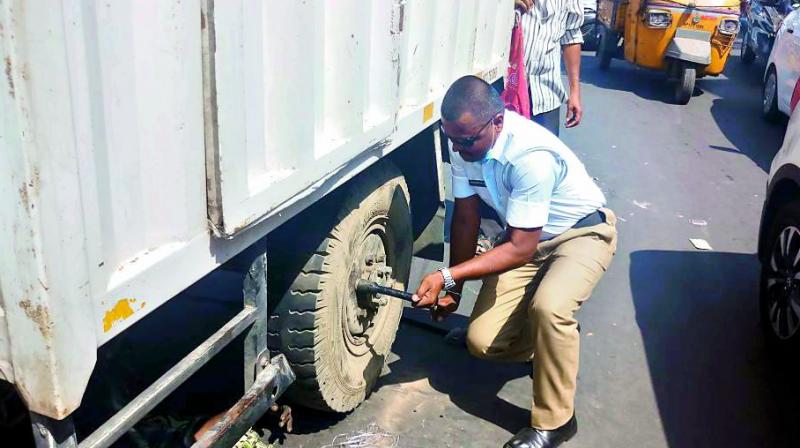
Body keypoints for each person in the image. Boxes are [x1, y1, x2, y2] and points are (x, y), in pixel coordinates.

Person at [413, 76, 617, 448]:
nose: (458, 148)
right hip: (526, 239)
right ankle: (545, 342)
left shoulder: (529, 158)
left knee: (551, 308)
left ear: (498, 121)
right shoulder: (465, 146)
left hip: (580, 235)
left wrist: (447, 275)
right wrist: (453, 291)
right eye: (451, 139)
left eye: (467, 140)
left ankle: (557, 421)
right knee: (481, 342)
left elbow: (521, 248)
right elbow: (465, 218)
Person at [514, 0, 584, 136]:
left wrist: (575, 92)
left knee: (543, 155)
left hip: (546, 94)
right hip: (504, 88)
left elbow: (571, 35)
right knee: (498, 153)